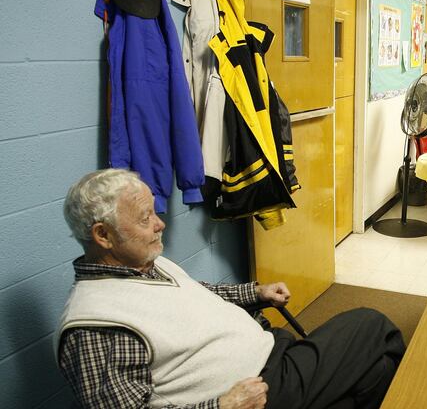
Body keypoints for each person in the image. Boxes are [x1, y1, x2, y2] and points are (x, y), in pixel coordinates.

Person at [57, 169, 405, 409]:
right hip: (258, 391)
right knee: (370, 325)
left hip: (270, 351)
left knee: (373, 373)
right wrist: (222, 405)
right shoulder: (94, 327)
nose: (160, 224)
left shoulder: (145, 264)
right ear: (103, 235)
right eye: (145, 218)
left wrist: (256, 293)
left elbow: (196, 292)